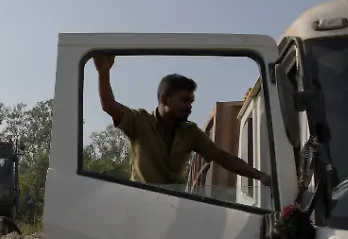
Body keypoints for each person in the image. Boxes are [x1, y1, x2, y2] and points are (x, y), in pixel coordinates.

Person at [93, 54, 271, 188]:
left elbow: (222, 158)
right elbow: (109, 105)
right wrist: (103, 72)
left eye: (191, 101)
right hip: (142, 203)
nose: (189, 106)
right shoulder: (140, 121)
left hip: (177, 206)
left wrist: (260, 176)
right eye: (184, 100)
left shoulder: (190, 132)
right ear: (164, 99)